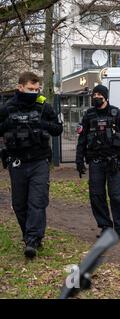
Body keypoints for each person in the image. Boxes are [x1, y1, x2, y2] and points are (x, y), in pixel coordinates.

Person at [0, 72, 63, 258]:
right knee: (19, 204)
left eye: (36, 90)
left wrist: (41, 123)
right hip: (17, 162)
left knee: (37, 201)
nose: (34, 93)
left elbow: (58, 128)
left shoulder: (43, 105)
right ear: (20, 87)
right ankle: (29, 235)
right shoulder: (8, 108)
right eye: (30, 89)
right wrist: (8, 123)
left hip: (39, 161)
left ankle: (33, 240)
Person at [76, 84, 120, 241]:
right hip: (95, 162)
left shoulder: (117, 114)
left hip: (113, 163)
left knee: (117, 196)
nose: (96, 97)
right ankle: (105, 227)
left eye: (100, 94)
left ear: (106, 97)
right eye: (94, 95)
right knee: (97, 196)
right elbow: (82, 139)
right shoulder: (88, 115)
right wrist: (79, 160)